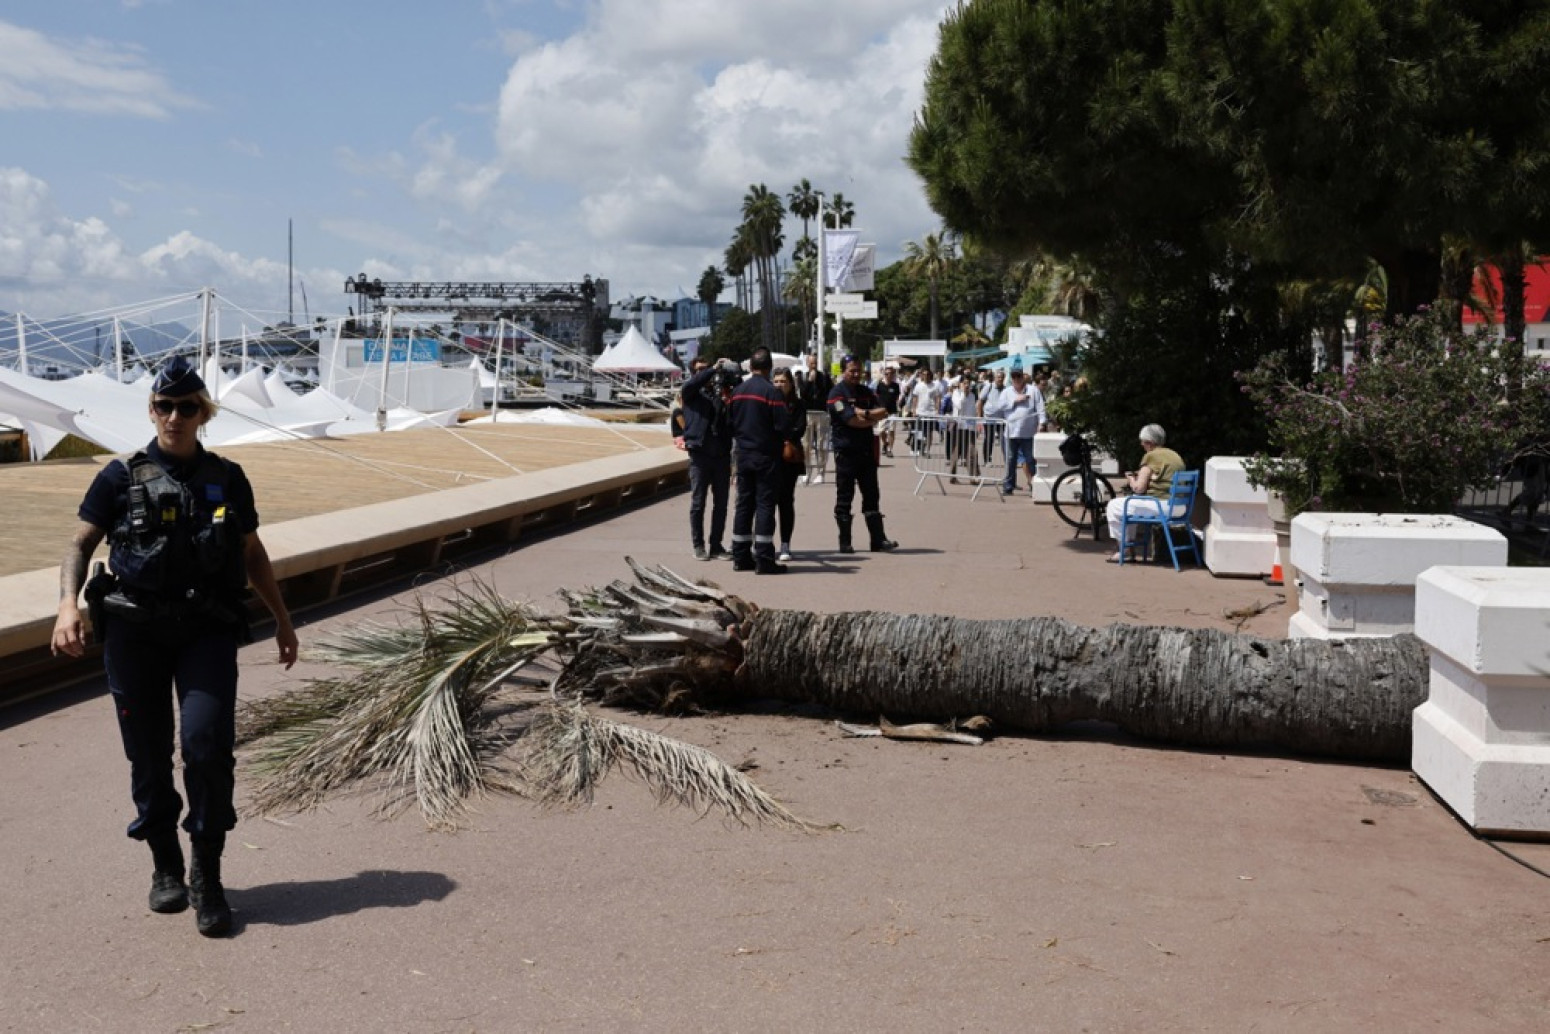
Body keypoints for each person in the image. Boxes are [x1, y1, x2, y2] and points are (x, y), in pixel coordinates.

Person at [50, 358, 298, 938]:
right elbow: (80, 543)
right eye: (165, 406)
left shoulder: (228, 478)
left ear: (203, 414)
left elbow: (252, 552)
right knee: (148, 751)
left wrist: (283, 620)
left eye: (188, 407)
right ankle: (165, 864)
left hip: (205, 629)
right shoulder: (119, 476)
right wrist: (66, 605)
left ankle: (206, 873)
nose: (175, 417)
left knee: (206, 744)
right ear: (152, 411)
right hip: (134, 633)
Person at [827, 352, 898, 553]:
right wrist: (869, 418)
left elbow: (883, 411)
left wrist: (864, 412)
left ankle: (878, 540)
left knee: (872, 495)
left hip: (866, 452)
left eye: (858, 370)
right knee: (845, 497)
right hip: (846, 453)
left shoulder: (866, 392)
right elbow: (851, 421)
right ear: (843, 372)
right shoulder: (836, 394)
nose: (856, 374)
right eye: (852, 371)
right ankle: (845, 542)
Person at [728, 349, 791, 574]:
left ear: (751, 366)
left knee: (744, 505)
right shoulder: (771, 392)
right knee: (765, 505)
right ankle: (764, 559)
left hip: (743, 455)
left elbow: (729, 422)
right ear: (769, 368)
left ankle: (740, 557)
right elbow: (783, 426)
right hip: (766, 456)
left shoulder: (738, 391)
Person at [678, 356, 736, 561]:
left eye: (706, 369)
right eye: (699, 370)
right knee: (698, 503)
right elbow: (694, 383)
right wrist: (712, 369)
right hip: (700, 455)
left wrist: (731, 375)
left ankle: (716, 545)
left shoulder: (720, 393)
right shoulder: (690, 392)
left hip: (721, 455)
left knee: (721, 504)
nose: (703, 373)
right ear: (693, 373)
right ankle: (698, 545)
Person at [1105, 423, 1186, 561]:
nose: (1141, 444)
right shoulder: (1175, 455)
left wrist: (1131, 479)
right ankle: (1128, 547)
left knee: (1114, 506)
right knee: (1130, 508)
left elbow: (1139, 488)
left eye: (1143, 441)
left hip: (1162, 506)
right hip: (1180, 506)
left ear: (1149, 442)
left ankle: (1124, 549)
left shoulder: (1151, 456)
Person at [988, 365, 1043, 495]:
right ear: (1011, 378)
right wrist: (1015, 400)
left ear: (1023, 377)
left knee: (1030, 460)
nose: (1016, 379)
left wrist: (1042, 423)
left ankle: (1036, 486)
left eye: (1019, 376)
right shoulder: (1006, 392)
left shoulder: (1033, 390)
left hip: (1028, 432)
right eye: (1014, 376)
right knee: (1010, 460)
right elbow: (1000, 406)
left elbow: (1040, 408)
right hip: (1011, 432)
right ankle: (1008, 486)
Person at [771, 367, 806, 562]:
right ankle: (765, 543)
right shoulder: (767, 401)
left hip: (789, 458)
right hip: (770, 458)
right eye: (776, 381)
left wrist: (780, 433)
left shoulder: (797, 404)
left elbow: (799, 429)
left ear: (791, 384)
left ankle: (785, 544)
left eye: (783, 381)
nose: (779, 385)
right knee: (767, 501)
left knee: (786, 501)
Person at [793, 352, 833, 484]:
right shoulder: (802, 377)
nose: (813, 365)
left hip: (821, 413)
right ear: (807, 363)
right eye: (811, 363)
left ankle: (821, 472)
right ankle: (807, 472)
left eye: (815, 363)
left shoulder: (824, 377)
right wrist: (810, 381)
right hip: (807, 413)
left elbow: (829, 392)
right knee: (806, 445)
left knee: (822, 444)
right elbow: (803, 394)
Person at [874, 364, 902, 458]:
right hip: (882, 411)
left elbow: (897, 397)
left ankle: (890, 449)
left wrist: (897, 406)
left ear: (893, 375)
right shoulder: (880, 385)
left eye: (890, 373)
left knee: (891, 430)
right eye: (886, 374)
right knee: (881, 431)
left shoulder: (895, 386)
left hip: (892, 411)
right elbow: (877, 396)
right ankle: (885, 443)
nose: (888, 375)